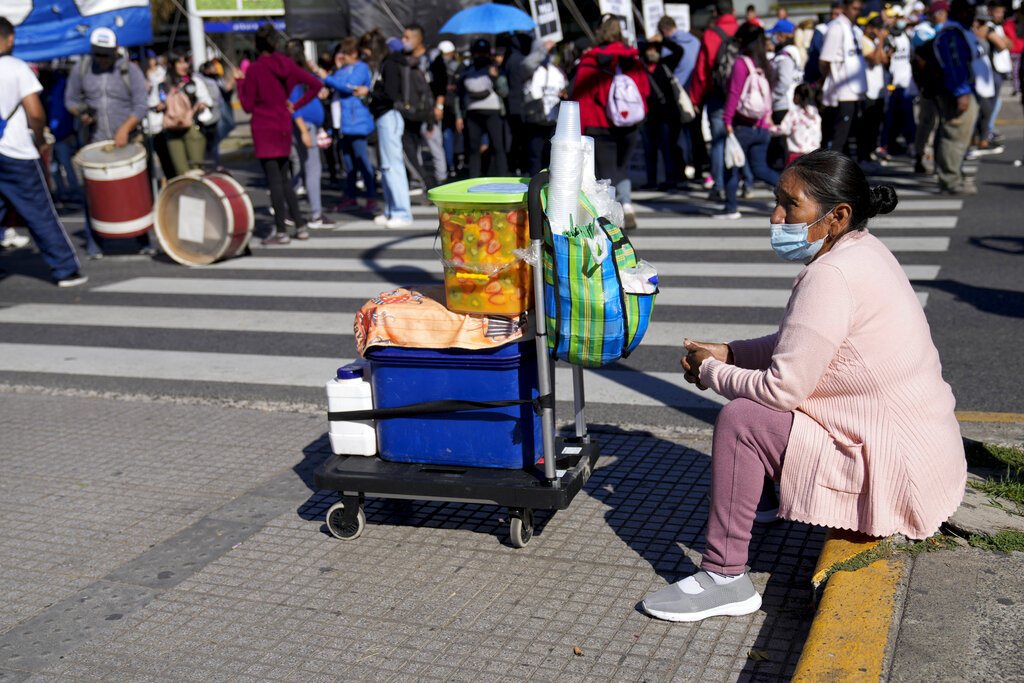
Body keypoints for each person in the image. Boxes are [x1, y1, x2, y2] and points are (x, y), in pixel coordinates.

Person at [641, 150, 965, 623]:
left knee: (743, 420)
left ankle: (724, 578)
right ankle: (767, 494)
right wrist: (730, 353)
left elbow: (781, 391)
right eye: (777, 201)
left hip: (896, 468)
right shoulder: (863, 249)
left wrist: (711, 373)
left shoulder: (830, 276)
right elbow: (802, 344)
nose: (776, 216)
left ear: (836, 216)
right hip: (926, 452)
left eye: (790, 205)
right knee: (763, 411)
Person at [0, 16, 86, 286]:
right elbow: (35, 112)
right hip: (15, 150)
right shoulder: (16, 67)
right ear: (10, 38)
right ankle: (65, 268)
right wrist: (40, 138)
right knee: (39, 210)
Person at [65, 27, 151, 258]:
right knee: (93, 193)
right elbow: (70, 100)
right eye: (98, 54)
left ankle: (142, 237)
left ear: (115, 52)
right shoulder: (81, 69)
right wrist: (80, 113)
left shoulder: (129, 71)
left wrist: (125, 128)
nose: (102, 59)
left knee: (132, 189)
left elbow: (141, 105)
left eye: (106, 54)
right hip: (94, 141)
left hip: (126, 141)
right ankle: (95, 241)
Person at [236, 23, 323, 244]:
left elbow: (247, 105)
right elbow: (315, 84)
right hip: (283, 124)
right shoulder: (287, 64)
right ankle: (300, 226)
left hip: (263, 127)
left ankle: (281, 230)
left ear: (256, 45)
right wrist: (295, 104)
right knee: (284, 178)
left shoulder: (254, 70)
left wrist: (239, 82)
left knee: (274, 181)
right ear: (276, 44)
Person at [572, 17, 650, 229]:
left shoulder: (590, 61)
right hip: (629, 124)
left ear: (599, 33)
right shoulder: (633, 59)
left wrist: (578, 133)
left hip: (600, 123)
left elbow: (582, 99)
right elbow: (645, 90)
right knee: (621, 167)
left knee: (606, 173)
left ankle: (610, 219)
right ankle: (627, 206)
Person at [719, 23, 779, 220]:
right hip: (762, 126)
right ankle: (793, 194)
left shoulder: (741, 64)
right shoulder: (765, 64)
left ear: (743, 41)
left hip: (742, 126)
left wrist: (727, 121)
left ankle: (731, 208)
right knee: (761, 169)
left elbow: (734, 94)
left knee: (731, 167)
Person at [358, 30, 414, 229]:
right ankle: (392, 209)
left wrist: (370, 92)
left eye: (366, 50)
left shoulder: (389, 64)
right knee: (387, 166)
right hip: (384, 116)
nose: (365, 54)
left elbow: (390, 94)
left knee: (392, 166)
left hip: (389, 116)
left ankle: (402, 212)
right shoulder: (386, 63)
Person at [690, 0, 740, 202]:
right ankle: (746, 182)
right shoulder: (743, 30)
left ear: (716, 12)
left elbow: (701, 71)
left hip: (717, 94)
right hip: (742, 94)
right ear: (734, 11)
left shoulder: (710, 34)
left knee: (718, 142)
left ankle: (719, 185)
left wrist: (696, 98)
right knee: (740, 138)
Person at [322, 37, 376, 214]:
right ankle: (351, 197)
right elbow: (336, 82)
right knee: (349, 165)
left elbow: (346, 87)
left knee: (363, 162)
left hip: (356, 121)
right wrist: (336, 69)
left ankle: (371, 197)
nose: (341, 56)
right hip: (341, 124)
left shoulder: (361, 68)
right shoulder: (343, 69)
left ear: (353, 53)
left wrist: (327, 77)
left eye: (344, 53)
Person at [933, 0, 980, 194]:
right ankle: (950, 179)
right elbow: (954, 65)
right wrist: (962, 93)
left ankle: (954, 174)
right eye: (969, 11)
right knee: (954, 135)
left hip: (962, 90)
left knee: (958, 135)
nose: (973, 15)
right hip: (957, 92)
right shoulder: (951, 34)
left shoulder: (956, 31)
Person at [284, 42, 333, 229]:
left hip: (307, 123)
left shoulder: (298, 73)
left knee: (305, 168)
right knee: (312, 168)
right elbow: (292, 103)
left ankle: (284, 203)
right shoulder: (295, 74)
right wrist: (303, 130)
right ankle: (316, 214)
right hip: (305, 124)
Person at [455, 38, 510, 179]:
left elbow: (504, 92)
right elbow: (458, 95)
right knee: (473, 150)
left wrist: (496, 77)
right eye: (478, 53)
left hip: (493, 112)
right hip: (472, 113)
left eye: (484, 53)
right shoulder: (466, 71)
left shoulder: (495, 70)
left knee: (498, 147)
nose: (481, 56)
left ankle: (502, 179)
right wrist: (459, 116)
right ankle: (473, 180)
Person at [402, 24, 448, 189]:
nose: (404, 41)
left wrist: (439, 106)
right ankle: (421, 181)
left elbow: (442, 82)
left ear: (418, 39)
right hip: (411, 111)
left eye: (407, 38)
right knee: (413, 149)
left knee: (434, 145)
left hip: (429, 110)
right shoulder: (403, 59)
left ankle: (441, 180)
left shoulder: (432, 57)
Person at [820, 0, 868, 154]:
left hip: (854, 89)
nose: (857, 12)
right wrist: (827, 82)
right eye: (854, 8)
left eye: (859, 9)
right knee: (838, 137)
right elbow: (825, 59)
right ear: (844, 7)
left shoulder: (853, 29)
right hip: (841, 90)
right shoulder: (836, 28)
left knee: (847, 136)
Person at [157, 50, 213, 177]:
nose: (184, 66)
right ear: (171, 64)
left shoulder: (193, 81)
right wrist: (159, 106)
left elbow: (207, 100)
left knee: (197, 171)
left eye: (186, 62)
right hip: (171, 129)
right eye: (180, 62)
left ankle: (200, 196)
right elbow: (153, 104)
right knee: (181, 174)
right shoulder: (163, 85)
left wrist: (202, 105)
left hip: (192, 127)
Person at [659, 15, 702, 180]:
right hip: (695, 95)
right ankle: (698, 170)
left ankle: (680, 172)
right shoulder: (695, 41)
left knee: (676, 138)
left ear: (663, 31)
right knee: (696, 135)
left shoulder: (669, 47)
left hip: (676, 97)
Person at [640, 33, 685, 191]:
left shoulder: (666, 64)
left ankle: (671, 179)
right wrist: (646, 42)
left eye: (655, 49)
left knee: (667, 148)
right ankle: (651, 179)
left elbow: (679, 51)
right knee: (649, 149)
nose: (651, 51)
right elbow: (636, 48)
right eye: (649, 49)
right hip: (647, 116)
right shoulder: (640, 67)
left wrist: (663, 40)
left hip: (666, 115)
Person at [911, 0, 948, 173]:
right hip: (928, 85)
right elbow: (929, 50)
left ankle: (939, 159)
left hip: (943, 84)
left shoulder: (946, 29)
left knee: (941, 123)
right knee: (927, 121)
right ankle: (919, 156)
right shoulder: (921, 30)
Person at [856, 16, 892, 171]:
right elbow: (876, 59)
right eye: (878, 30)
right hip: (868, 91)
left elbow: (884, 60)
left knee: (875, 127)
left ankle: (870, 155)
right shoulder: (864, 41)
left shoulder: (873, 42)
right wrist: (881, 42)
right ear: (870, 28)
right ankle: (863, 157)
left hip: (878, 91)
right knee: (866, 127)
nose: (880, 33)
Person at [767, 19, 802, 169]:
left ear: (782, 35)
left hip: (782, 104)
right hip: (790, 102)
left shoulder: (784, 56)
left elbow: (784, 81)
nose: (772, 38)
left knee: (782, 144)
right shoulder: (795, 52)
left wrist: (772, 98)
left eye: (774, 34)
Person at [771, 82, 822, 165]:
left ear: (797, 96)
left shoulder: (794, 114)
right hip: (814, 156)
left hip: (797, 157)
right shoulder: (816, 115)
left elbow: (783, 129)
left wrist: (769, 127)